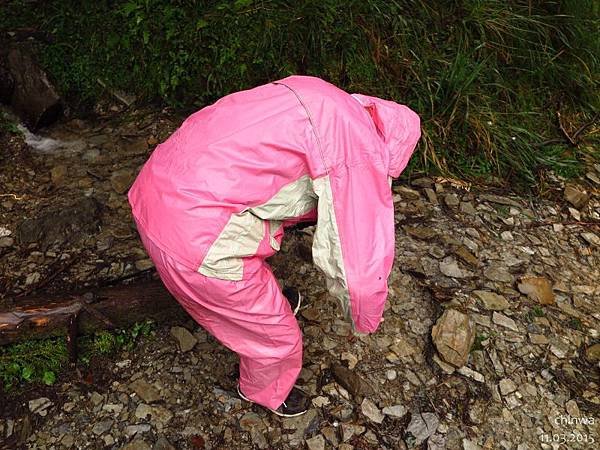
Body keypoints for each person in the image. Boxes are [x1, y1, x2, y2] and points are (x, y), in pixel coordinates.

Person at [128, 75, 421, 417]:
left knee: (255, 250)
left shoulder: (318, 96)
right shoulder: (357, 149)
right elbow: (357, 260)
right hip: (194, 239)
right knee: (277, 339)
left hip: (154, 190)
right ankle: (262, 391)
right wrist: (364, 317)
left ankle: (258, 304)